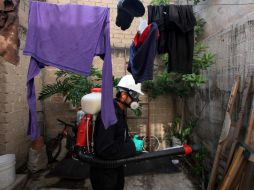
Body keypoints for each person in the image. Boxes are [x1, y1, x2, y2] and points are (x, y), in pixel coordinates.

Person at [90, 74, 144, 190]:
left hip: (115, 168)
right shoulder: (109, 113)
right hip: (105, 176)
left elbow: (118, 137)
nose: (137, 99)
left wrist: (129, 140)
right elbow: (105, 150)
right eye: (135, 95)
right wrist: (132, 147)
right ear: (124, 95)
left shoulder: (118, 111)